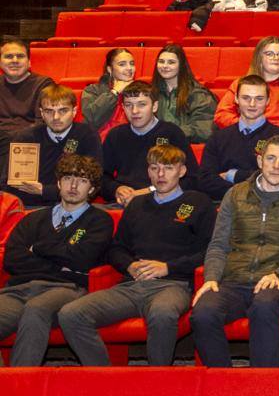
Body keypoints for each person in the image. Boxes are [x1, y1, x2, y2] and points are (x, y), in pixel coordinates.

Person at [58, 145, 214, 366]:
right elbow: (115, 248)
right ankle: (104, 377)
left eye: (168, 168)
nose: (160, 174)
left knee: (162, 314)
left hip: (173, 284)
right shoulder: (137, 205)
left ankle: (157, 383)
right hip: (131, 284)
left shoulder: (198, 203)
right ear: (148, 172)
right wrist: (129, 265)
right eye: (154, 168)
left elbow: (210, 251)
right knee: (71, 313)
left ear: (182, 171)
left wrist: (168, 267)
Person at [192, 135, 279, 367]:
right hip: (233, 281)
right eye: (271, 158)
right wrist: (210, 278)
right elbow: (218, 244)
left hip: (278, 284)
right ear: (260, 161)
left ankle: (262, 382)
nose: (277, 166)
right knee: (203, 312)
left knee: (264, 305)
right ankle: (223, 381)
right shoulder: (235, 194)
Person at [0, 155, 111, 366]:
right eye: (68, 178)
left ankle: (22, 385)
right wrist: (61, 262)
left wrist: (39, 248)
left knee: (36, 309)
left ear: (91, 189)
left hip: (66, 288)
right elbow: (13, 259)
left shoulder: (99, 221)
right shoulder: (34, 219)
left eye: (82, 180)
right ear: (59, 183)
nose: (74, 185)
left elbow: (83, 260)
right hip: (19, 289)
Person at [100, 82, 201, 205]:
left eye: (141, 105)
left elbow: (191, 178)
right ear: (122, 107)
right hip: (123, 202)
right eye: (128, 105)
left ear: (154, 106)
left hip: (163, 201)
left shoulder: (172, 133)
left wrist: (150, 191)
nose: (134, 111)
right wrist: (116, 189)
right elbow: (101, 176)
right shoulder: (115, 135)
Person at [4, 84, 101, 207]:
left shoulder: (86, 135)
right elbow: (6, 183)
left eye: (63, 111)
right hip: (30, 207)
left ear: (74, 111)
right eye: (49, 111)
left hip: (73, 207)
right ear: (42, 113)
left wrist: (45, 191)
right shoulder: (26, 138)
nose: (56, 117)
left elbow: (95, 182)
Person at [198, 75, 279, 201]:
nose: (252, 104)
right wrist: (242, 192)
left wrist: (234, 175)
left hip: (267, 205)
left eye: (259, 98)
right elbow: (206, 180)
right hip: (226, 203)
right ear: (236, 99)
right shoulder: (218, 137)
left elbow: (278, 177)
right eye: (246, 98)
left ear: (268, 101)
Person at [214, 37, 279, 138]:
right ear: (259, 58)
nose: (276, 58)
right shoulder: (241, 84)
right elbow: (222, 115)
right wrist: (248, 125)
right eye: (269, 54)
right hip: (245, 134)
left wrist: (271, 129)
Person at [150, 44, 217, 143]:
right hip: (155, 149)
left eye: (171, 62)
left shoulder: (199, 95)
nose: (165, 66)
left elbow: (203, 130)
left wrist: (167, 133)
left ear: (181, 65)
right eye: (161, 61)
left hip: (185, 149)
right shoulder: (151, 92)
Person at [0, 38, 55, 153]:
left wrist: (15, 139)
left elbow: (43, 123)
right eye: (8, 56)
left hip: (30, 144)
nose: (14, 60)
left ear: (29, 62)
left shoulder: (44, 85)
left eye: (20, 56)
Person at [80, 48, 138, 138]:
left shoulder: (141, 90)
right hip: (100, 143)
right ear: (110, 69)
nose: (129, 68)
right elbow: (91, 118)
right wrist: (114, 93)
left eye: (132, 64)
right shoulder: (93, 90)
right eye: (122, 64)